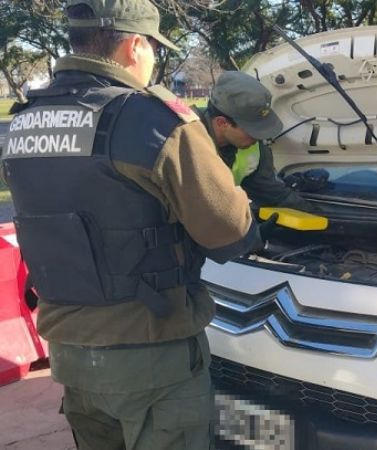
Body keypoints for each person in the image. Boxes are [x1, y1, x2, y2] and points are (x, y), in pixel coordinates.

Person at [1, 0, 271, 448]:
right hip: (152, 356)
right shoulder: (154, 121)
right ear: (134, 46)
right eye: (153, 49)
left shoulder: (26, 122)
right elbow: (230, 232)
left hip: (69, 353)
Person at [194, 71, 317, 211]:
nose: (259, 137)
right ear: (222, 123)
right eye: (253, 130)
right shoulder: (184, 140)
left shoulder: (253, 147)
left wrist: (316, 216)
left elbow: (273, 192)